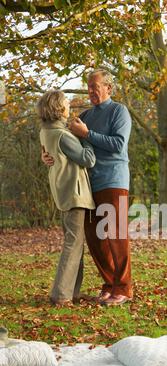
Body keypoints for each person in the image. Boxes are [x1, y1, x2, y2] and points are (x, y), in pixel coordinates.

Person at [42, 69, 133, 306]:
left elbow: (118, 145)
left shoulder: (119, 111)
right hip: (88, 186)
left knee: (115, 235)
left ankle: (123, 288)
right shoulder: (85, 115)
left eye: (96, 86)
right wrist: (47, 155)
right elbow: (65, 141)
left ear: (108, 88)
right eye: (89, 87)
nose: (91, 91)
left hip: (114, 180)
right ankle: (109, 284)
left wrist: (88, 134)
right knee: (95, 239)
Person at [37, 90, 96, 305]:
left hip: (62, 193)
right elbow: (87, 160)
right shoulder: (63, 136)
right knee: (73, 243)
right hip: (74, 193)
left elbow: (50, 154)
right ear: (59, 109)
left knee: (75, 242)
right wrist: (85, 137)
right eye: (66, 103)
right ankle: (61, 294)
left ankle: (72, 292)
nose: (69, 106)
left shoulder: (46, 132)